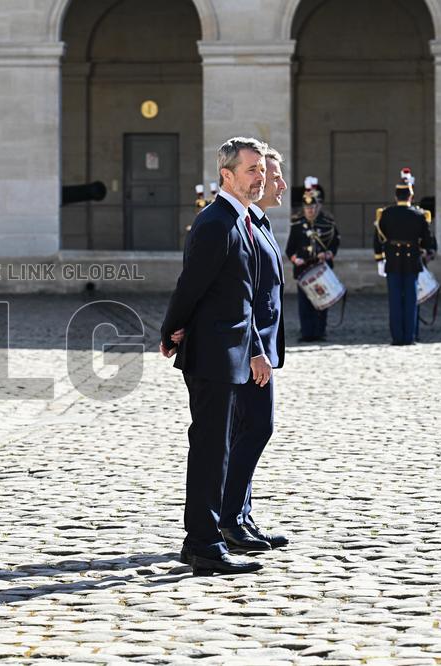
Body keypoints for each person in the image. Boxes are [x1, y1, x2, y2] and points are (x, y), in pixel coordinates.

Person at [160, 136, 270, 576]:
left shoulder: (239, 219)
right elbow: (191, 285)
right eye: (251, 170)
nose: (259, 177)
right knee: (210, 450)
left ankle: (203, 540)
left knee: (218, 448)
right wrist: (171, 330)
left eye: (262, 169)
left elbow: (235, 295)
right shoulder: (216, 222)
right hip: (213, 354)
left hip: (232, 351)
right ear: (226, 174)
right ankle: (203, 542)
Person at [217, 149, 288, 552]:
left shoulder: (258, 224)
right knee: (255, 428)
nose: (275, 184)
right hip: (247, 348)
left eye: (271, 174)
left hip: (257, 346)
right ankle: (229, 520)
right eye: (266, 174)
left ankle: (240, 516)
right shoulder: (242, 226)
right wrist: (258, 347)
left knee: (247, 430)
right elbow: (243, 297)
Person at [373, 170, 437, 346]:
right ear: (411, 195)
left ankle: (397, 337)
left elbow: (378, 237)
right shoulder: (420, 215)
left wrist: (379, 259)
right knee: (410, 299)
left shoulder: (385, 214)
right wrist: (427, 252)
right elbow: (427, 239)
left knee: (395, 301)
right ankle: (408, 337)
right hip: (411, 260)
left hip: (392, 259)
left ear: (396, 195)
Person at [285, 186, 340, 342]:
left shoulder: (327, 224)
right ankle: (307, 333)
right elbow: (290, 249)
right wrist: (296, 259)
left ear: (318, 206)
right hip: (304, 270)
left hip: (321, 269)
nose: (310, 210)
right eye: (307, 208)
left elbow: (335, 243)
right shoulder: (297, 226)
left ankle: (320, 331)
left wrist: (329, 253)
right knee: (305, 304)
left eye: (313, 207)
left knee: (322, 301)